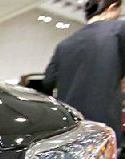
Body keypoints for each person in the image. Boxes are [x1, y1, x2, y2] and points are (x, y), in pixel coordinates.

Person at [43, 0, 125, 147]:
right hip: (105, 129)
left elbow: (48, 81)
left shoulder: (64, 44)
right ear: (112, 7)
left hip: (72, 129)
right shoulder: (119, 30)